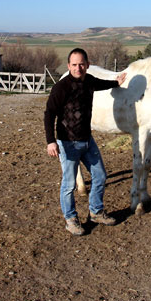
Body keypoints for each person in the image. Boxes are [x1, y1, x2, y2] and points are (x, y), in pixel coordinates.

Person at [44, 48, 126, 236]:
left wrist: (116, 82)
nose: (78, 68)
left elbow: (100, 84)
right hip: (68, 143)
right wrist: (51, 141)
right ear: (68, 66)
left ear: (87, 65)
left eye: (81, 64)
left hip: (87, 141)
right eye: (74, 65)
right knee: (69, 184)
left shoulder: (89, 81)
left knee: (100, 176)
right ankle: (71, 219)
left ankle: (95, 212)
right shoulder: (61, 88)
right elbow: (49, 114)